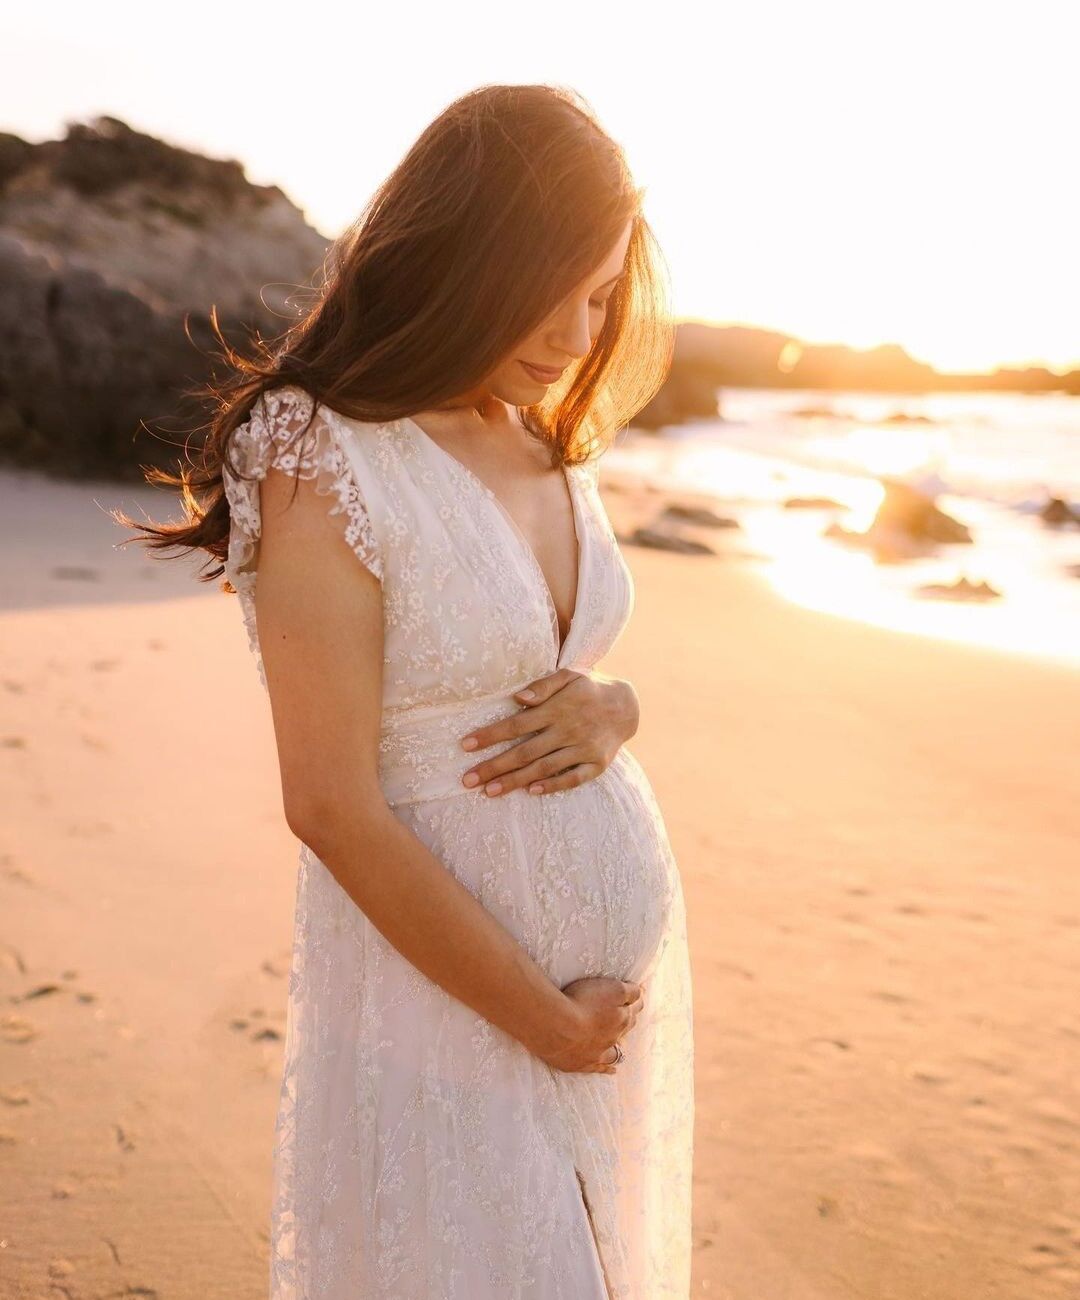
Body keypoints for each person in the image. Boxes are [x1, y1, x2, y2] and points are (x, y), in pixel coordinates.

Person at [116, 82, 693, 1300]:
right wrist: (540, 1015)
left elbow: (556, 669)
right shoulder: (319, 446)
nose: (580, 334)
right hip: (448, 1019)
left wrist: (618, 705)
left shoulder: (538, 438)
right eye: (555, 287)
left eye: (601, 296)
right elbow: (330, 803)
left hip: (592, 1031)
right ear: (467, 251)